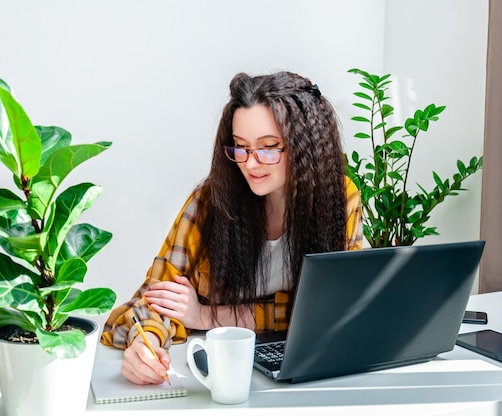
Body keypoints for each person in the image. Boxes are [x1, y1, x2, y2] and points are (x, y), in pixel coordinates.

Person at [101, 71, 363, 385]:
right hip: (218, 372)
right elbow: (151, 301)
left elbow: (342, 308)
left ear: (305, 147)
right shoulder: (210, 202)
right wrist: (146, 342)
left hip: (312, 372)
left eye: (268, 147)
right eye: (240, 147)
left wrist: (205, 316)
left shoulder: (340, 199)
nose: (250, 164)